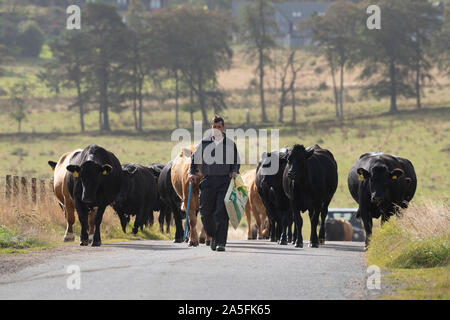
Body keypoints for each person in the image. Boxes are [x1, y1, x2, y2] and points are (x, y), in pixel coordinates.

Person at [188, 115, 240, 252]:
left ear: (223, 128)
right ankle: (212, 235)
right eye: (214, 127)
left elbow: (236, 161)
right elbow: (194, 160)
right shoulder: (204, 143)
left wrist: (234, 171)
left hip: (224, 181)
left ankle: (220, 242)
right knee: (206, 213)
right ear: (211, 128)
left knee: (221, 212)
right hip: (208, 181)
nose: (216, 129)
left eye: (219, 127)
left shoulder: (230, 144)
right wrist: (191, 173)